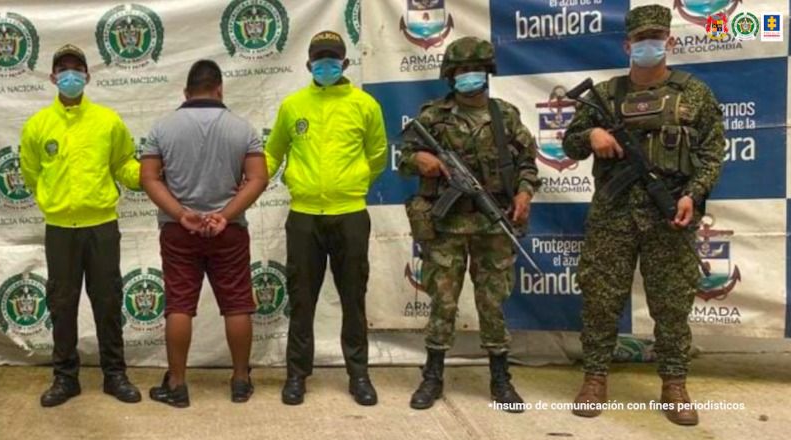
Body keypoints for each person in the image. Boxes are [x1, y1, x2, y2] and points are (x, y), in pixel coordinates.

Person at [562, 4, 726, 426]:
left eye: (656, 38)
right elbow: (569, 144)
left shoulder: (695, 94)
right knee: (600, 300)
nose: (648, 45)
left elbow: (712, 154)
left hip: (668, 215)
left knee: (671, 305)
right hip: (612, 216)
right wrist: (592, 134)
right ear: (627, 46)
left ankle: (674, 384)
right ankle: (594, 377)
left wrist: (692, 195)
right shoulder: (605, 95)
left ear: (669, 41)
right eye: (640, 39)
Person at [398, 36, 539, 413]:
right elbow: (404, 158)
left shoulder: (504, 115)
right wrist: (422, 161)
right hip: (446, 227)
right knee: (443, 302)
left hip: (493, 224)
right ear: (451, 75)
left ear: (488, 72)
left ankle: (500, 377)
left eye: (476, 69)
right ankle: (432, 375)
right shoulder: (433, 116)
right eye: (462, 70)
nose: (470, 75)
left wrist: (524, 193)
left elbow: (528, 162)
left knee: (492, 303)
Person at [265, 31, 387, 406]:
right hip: (304, 217)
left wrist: (351, 185)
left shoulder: (365, 105)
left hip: (349, 215)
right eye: (320, 60)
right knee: (302, 300)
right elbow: (272, 154)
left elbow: (378, 156)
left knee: (353, 298)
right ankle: (296, 375)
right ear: (308, 65)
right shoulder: (292, 106)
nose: (326, 66)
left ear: (345, 63)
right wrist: (251, 179)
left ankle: (359, 375)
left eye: (333, 60)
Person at [141, 60, 269, 408]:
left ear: (186, 92)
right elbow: (259, 178)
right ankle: (240, 381)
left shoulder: (162, 128)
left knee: (179, 305)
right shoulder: (243, 128)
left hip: (178, 230)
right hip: (229, 231)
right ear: (219, 89)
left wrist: (181, 214)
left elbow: (148, 177)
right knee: (237, 304)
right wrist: (225, 216)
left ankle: (177, 385)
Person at [19, 44, 142, 407]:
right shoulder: (38, 125)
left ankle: (115, 375)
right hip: (60, 229)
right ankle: (65, 378)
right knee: (62, 304)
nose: (70, 75)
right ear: (53, 77)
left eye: (77, 68)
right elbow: (31, 174)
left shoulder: (108, 121)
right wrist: (53, 200)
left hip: (102, 226)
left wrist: (148, 174)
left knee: (108, 301)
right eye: (63, 69)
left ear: (87, 76)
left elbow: (124, 164)